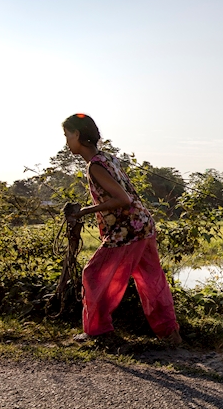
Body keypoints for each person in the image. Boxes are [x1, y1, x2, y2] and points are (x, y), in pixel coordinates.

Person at [62, 113, 181, 345]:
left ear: (77, 135)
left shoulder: (95, 166)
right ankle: (170, 334)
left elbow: (123, 199)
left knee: (93, 274)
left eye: (67, 135)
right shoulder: (107, 159)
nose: (66, 141)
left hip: (127, 229)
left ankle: (98, 332)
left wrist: (84, 211)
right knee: (150, 280)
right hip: (144, 224)